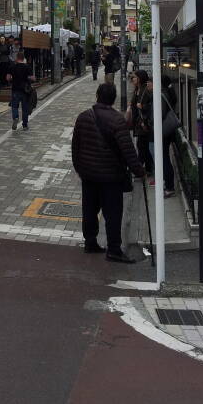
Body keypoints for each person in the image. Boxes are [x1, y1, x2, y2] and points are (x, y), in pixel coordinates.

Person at [72, 82, 144, 263]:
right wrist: (139, 171)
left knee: (89, 209)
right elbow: (128, 151)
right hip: (111, 177)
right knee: (112, 213)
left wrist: (80, 169)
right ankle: (113, 249)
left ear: (97, 95)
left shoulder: (83, 117)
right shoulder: (117, 120)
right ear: (113, 99)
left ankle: (90, 242)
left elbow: (75, 147)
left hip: (88, 174)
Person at [128, 70, 154, 177]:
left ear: (140, 78)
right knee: (143, 146)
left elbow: (152, 105)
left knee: (142, 146)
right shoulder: (137, 90)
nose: (132, 79)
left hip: (144, 123)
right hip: (139, 122)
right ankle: (146, 168)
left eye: (134, 77)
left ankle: (139, 169)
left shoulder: (145, 90)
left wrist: (143, 107)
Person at [7, 51, 34, 131]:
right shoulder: (27, 67)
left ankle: (15, 117)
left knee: (14, 106)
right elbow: (33, 78)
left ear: (16, 58)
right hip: (25, 90)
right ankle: (25, 125)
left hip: (15, 89)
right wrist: (27, 78)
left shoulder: (12, 67)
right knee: (25, 108)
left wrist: (12, 79)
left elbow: (7, 78)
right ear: (23, 58)